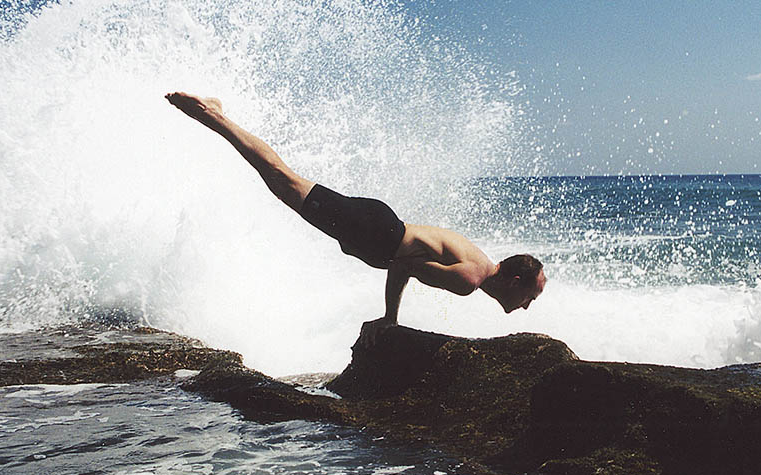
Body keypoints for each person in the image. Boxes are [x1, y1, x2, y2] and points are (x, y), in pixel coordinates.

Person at [165, 92, 546, 345]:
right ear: (514, 280)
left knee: (283, 181)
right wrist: (389, 318)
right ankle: (211, 114)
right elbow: (402, 265)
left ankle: (217, 115)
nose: (528, 305)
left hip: (378, 226)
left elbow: (406, 262)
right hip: (375, 231)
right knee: (282, 179)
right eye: (531, 295)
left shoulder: (478, 264)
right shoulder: (470, 278)